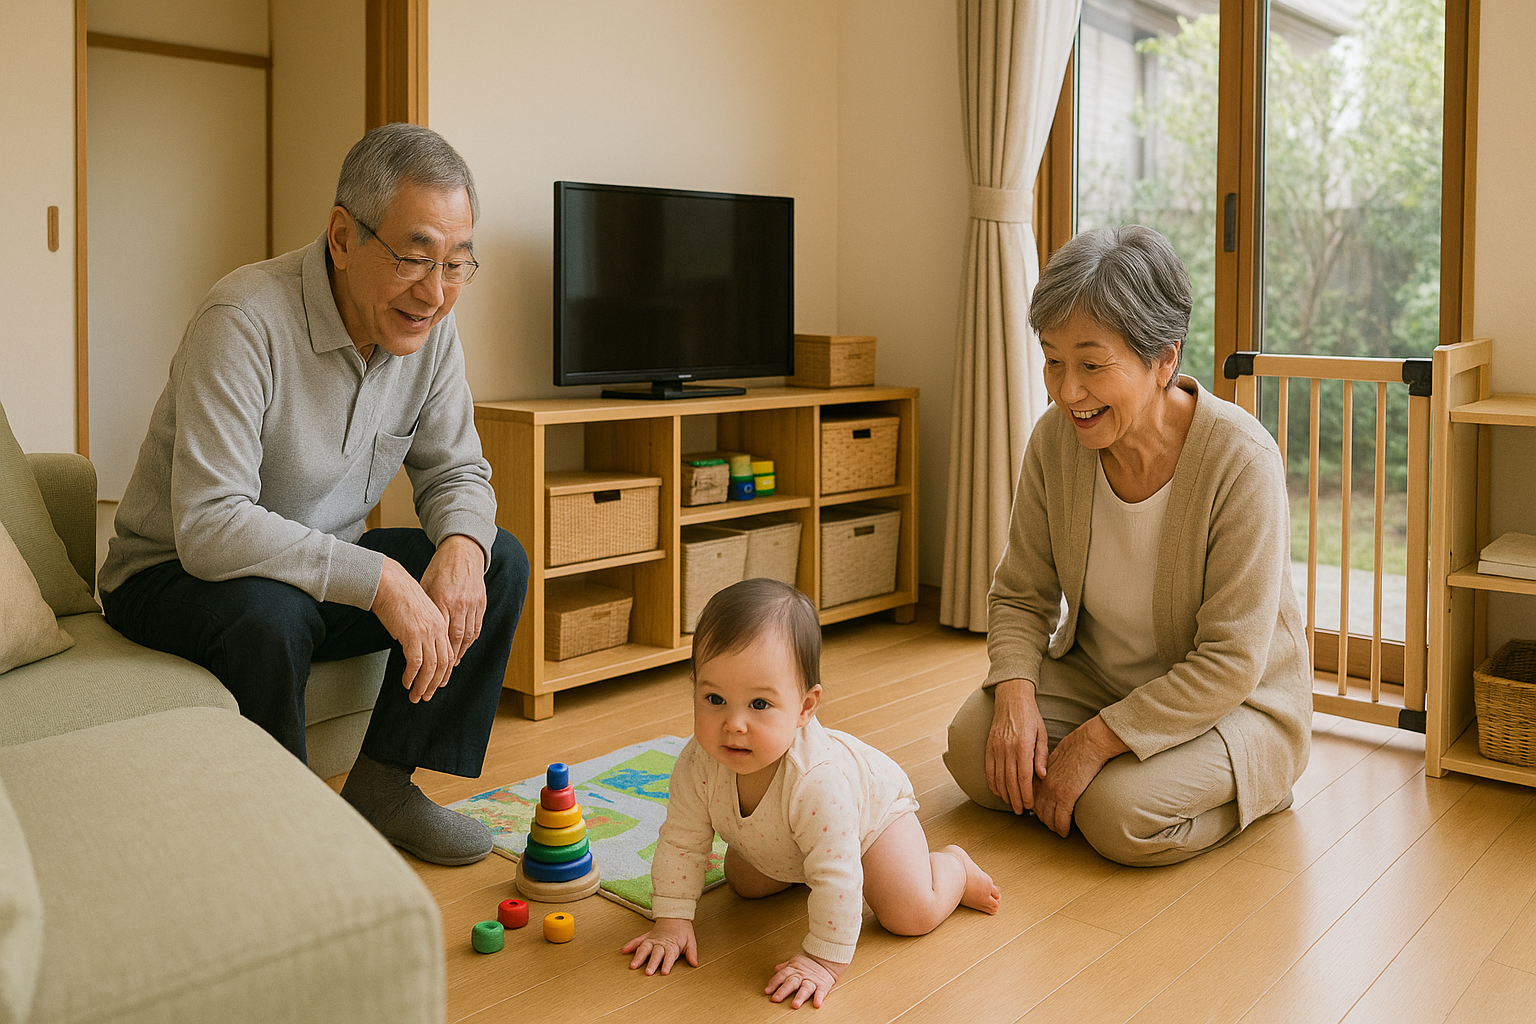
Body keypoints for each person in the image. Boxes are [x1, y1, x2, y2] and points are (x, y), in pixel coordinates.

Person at [98, 123, 529, 867]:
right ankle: (282, 834)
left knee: (498, 559)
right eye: (414, 258)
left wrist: (462, 547)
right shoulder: (243, 319)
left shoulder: (429, 330)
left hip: (314, 569)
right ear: (342, 236)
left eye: (456, 263)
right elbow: (210, 524)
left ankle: (385, 787)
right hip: (169, 575)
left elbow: (457, 470)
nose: (435, 292)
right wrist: (380, 579)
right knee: (273, 614)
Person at [943, 225, 1312, 868]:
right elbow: (1021, 595)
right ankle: (1103, 779)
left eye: (1091, 365)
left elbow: (1229, 662)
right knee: (973, 746)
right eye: (1053, 361)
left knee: (1116, 815)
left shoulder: (1242, 460)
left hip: (1233, 705)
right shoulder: (1054, 441)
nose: (1067, 392)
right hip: (1099, 679)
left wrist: (1093, 744)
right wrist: (1016, 695)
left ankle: (1258, 784)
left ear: (1164, 360)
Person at [623, 579, 1000, 1009]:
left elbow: (839, 875)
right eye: (714, 698)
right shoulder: (697, 762)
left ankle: (954, 868)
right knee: (745, 882)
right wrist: (671, 923)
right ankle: (801, 864)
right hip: (793, 837)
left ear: (805, 707)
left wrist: (823, 960)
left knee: (909, 913)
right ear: (694, 688)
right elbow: (681, 842)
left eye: (759, 705)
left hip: (872, 819)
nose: (734, 724)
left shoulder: (817, 782)